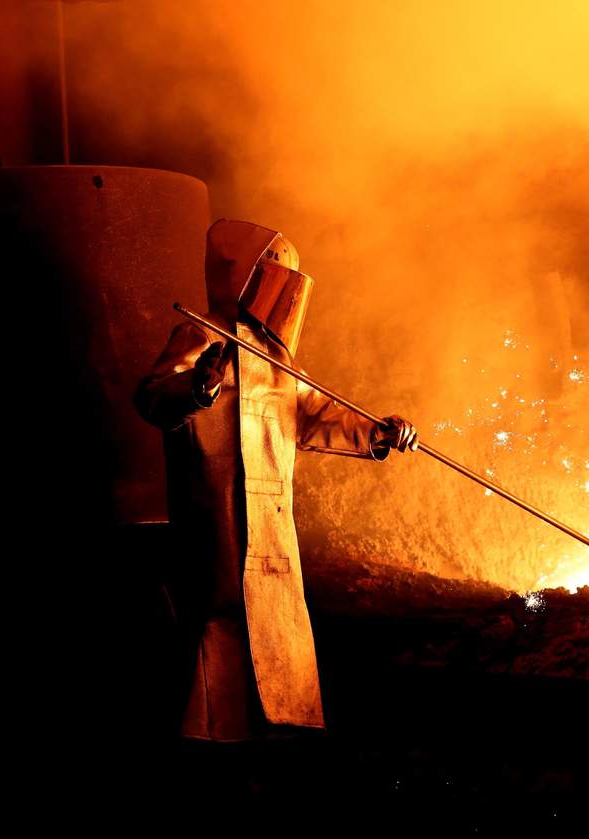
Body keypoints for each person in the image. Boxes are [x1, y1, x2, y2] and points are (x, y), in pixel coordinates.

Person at [135, 219, 417, 742]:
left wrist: (376, 433)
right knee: (217, 622)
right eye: (269, 278)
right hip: (217, 510)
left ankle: (277, 736)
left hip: (271, 518)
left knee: (273, 622)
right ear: (243, 276)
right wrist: (198, 386)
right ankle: (206, 742)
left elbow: (314, 413)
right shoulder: (201, 335)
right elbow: (153, 398)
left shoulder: (278, 358)